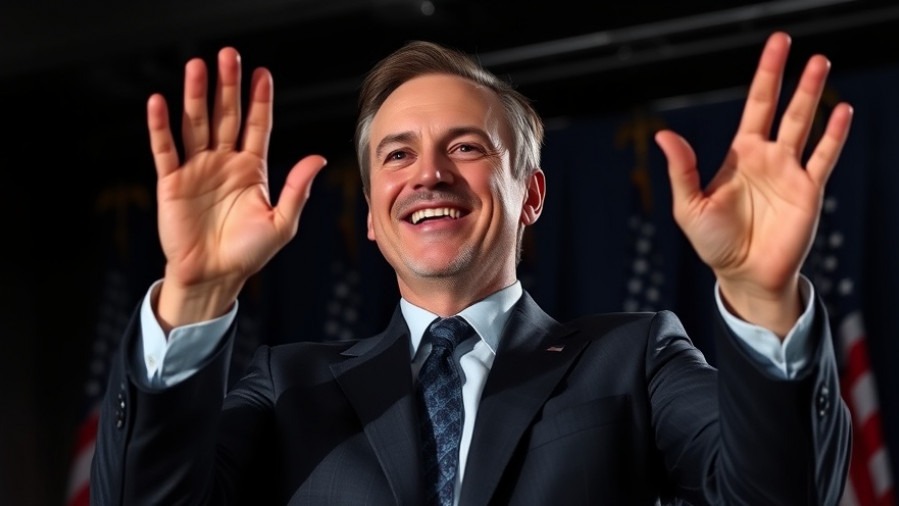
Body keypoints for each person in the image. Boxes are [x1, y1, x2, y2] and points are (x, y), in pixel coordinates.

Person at [90, 31, 853, 505]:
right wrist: (197, 295)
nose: (428, 175)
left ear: (531, 196)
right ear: (371, 216)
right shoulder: (285, 384)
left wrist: (761, 297)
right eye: (397, 154)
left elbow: (776, 496)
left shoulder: (637, 358)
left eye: (466, 147)